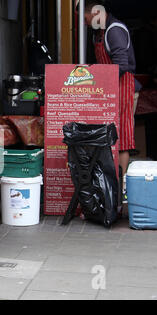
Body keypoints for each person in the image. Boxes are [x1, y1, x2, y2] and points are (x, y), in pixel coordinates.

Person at [83, 0, 142, 203]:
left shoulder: (114, 31)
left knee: (122, 137)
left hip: (122, 87)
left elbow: (122, 65)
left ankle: (122, 187)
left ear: (97, 13)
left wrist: (100, 81)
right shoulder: (98, 33)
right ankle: (109, 185)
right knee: (107, 136)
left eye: (85, 18)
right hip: (109, 90)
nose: (85, 23)